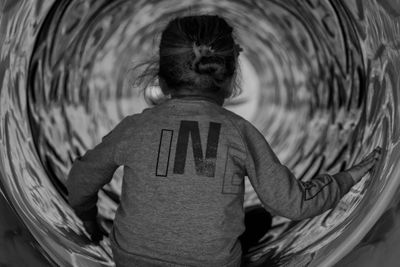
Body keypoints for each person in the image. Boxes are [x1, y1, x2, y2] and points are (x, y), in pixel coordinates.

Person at [66, 15, 382, 267]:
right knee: (260, 217)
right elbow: (292, 203)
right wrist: (346, 178)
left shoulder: (135, 127)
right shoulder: (239, 131)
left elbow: (81, 180)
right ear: (230, 80)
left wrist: (91, 223)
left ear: (161, 81)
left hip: (131, 260)